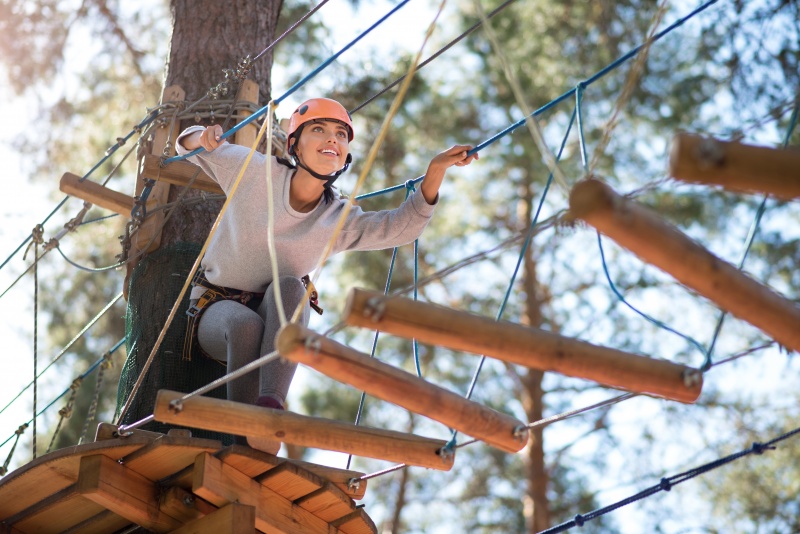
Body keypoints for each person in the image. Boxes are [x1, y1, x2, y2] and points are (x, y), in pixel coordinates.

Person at [176, 97, 477, 454]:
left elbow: (400, 228)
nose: (331, 139)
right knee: (245, 325)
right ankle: (242, 431)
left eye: (340, 134)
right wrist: (202, 136)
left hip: (278, 315)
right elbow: (186, 145)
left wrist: (436, 171)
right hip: (217, 310)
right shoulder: (255, 173)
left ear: (346, 152)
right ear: (294, 146)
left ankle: (270, 410)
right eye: (317, 130)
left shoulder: (338, 217)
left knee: (291, 287)